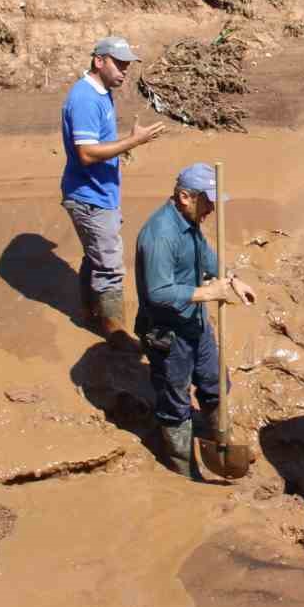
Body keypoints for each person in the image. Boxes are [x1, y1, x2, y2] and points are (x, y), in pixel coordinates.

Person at [135, 163, 256, 479]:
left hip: (196, 325)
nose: (212, 208)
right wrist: (208, 293)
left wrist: (230, 280)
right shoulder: (160, 235)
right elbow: (158, 292)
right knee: (175, 403)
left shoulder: (190, 223)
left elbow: (207, 259)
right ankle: (184, 470)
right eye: (208, 200)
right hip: (168, 333)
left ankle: (221, 442)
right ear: (185, 196)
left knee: (217, 383)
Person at [60, 36, 165, 350]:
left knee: (97, 256)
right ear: (99, 61)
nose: (124, 71)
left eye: (127, 65)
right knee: (111, 266)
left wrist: (123, 147)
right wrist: (133, 142)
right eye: (119, 64)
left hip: (99, 194)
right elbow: (87, 154)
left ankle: (89, 311)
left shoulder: (101, 93)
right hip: (89, 198)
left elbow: (98, 146)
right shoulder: (85, 99)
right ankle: (115, 334)